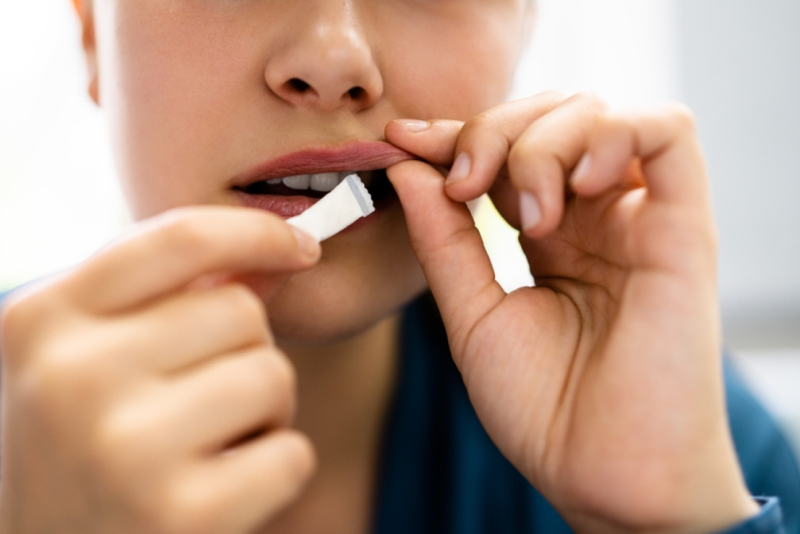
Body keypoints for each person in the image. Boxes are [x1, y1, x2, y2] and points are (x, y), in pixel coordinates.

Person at [0, 0, 798, 532]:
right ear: (90, 34)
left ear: (524, 31)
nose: (333, 57)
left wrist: (671, 523)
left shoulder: (695, 434)